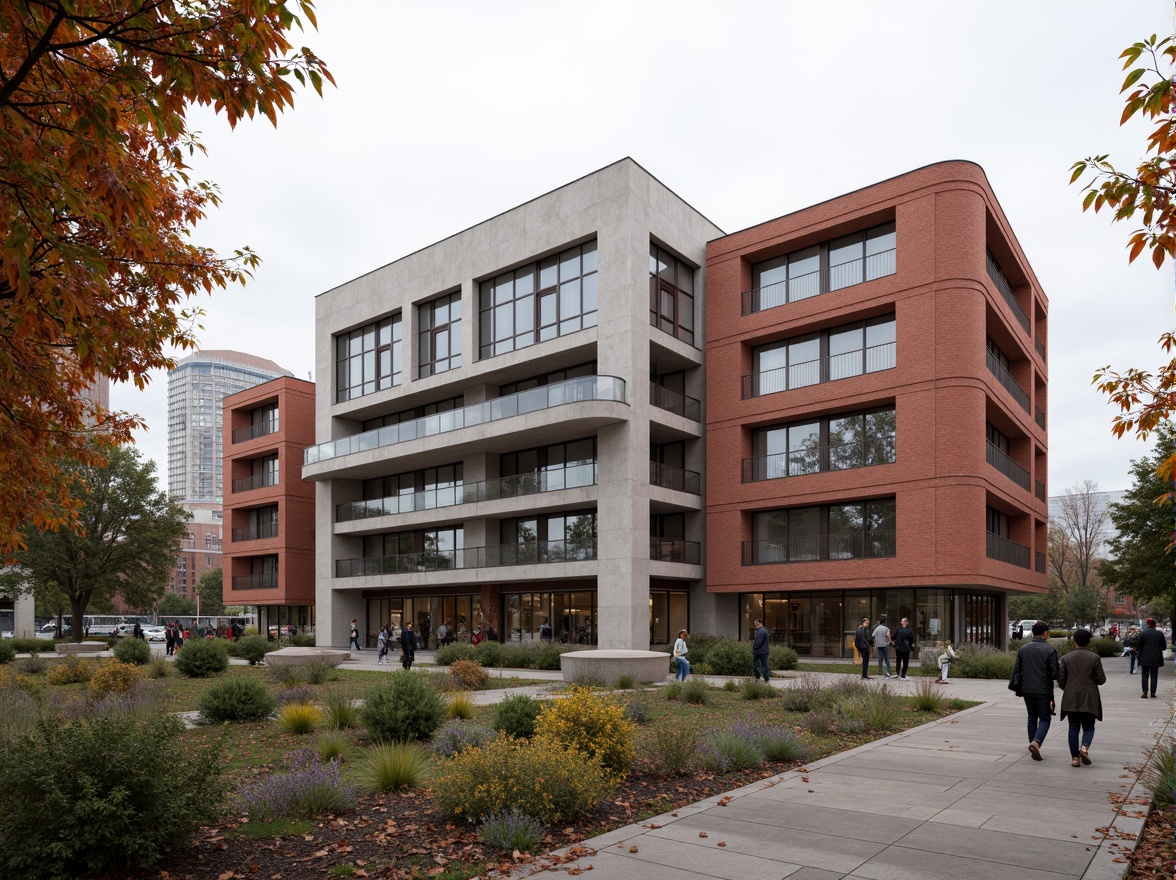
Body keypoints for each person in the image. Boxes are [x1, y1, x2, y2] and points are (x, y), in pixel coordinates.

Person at [1012, 620, 1060, 760]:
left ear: (1033, 632)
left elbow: (1017, 669)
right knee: (1045, 718)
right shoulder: (1050, 650)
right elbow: (1055, 673)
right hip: (1043, 689)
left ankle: (1033, 744)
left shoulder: (1023, 649)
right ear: (1045, 633)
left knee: (1031, 718)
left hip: (1027, 688)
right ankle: (1036, 742)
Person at [1059, 628, 1106, 767]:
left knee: (1073, 727)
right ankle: (1084, 747)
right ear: (1089, 642)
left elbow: (1061, 680)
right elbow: (1101, 679)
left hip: (1071, 696)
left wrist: (1069, 687)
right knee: (1089, 727)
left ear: (1074, 641)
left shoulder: (1066, 658)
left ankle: (1075, 758)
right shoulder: (1095, 657)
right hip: (1089, 696)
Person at [1136, 617, 1167, 699]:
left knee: (1145, 675)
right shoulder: (1159, 634)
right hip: (1156, 657)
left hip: (1145, 657)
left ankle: (1145, 691)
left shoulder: (1143, 633)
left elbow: (1139, 646)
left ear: (1147, 624)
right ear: (1155, 625)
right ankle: (1153, 692)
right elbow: (1164, 647)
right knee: (1154, 675)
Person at [751, 618, 770, 683]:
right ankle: (763, 677)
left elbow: (758, 642)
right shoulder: (762, 630)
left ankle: (762, 677)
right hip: (763, 651)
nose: (755, 625)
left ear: (758, 623)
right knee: (764, 665)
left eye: (755, 623)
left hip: (760, 651)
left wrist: (754, 648)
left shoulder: (761, 631)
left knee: (758, 665)